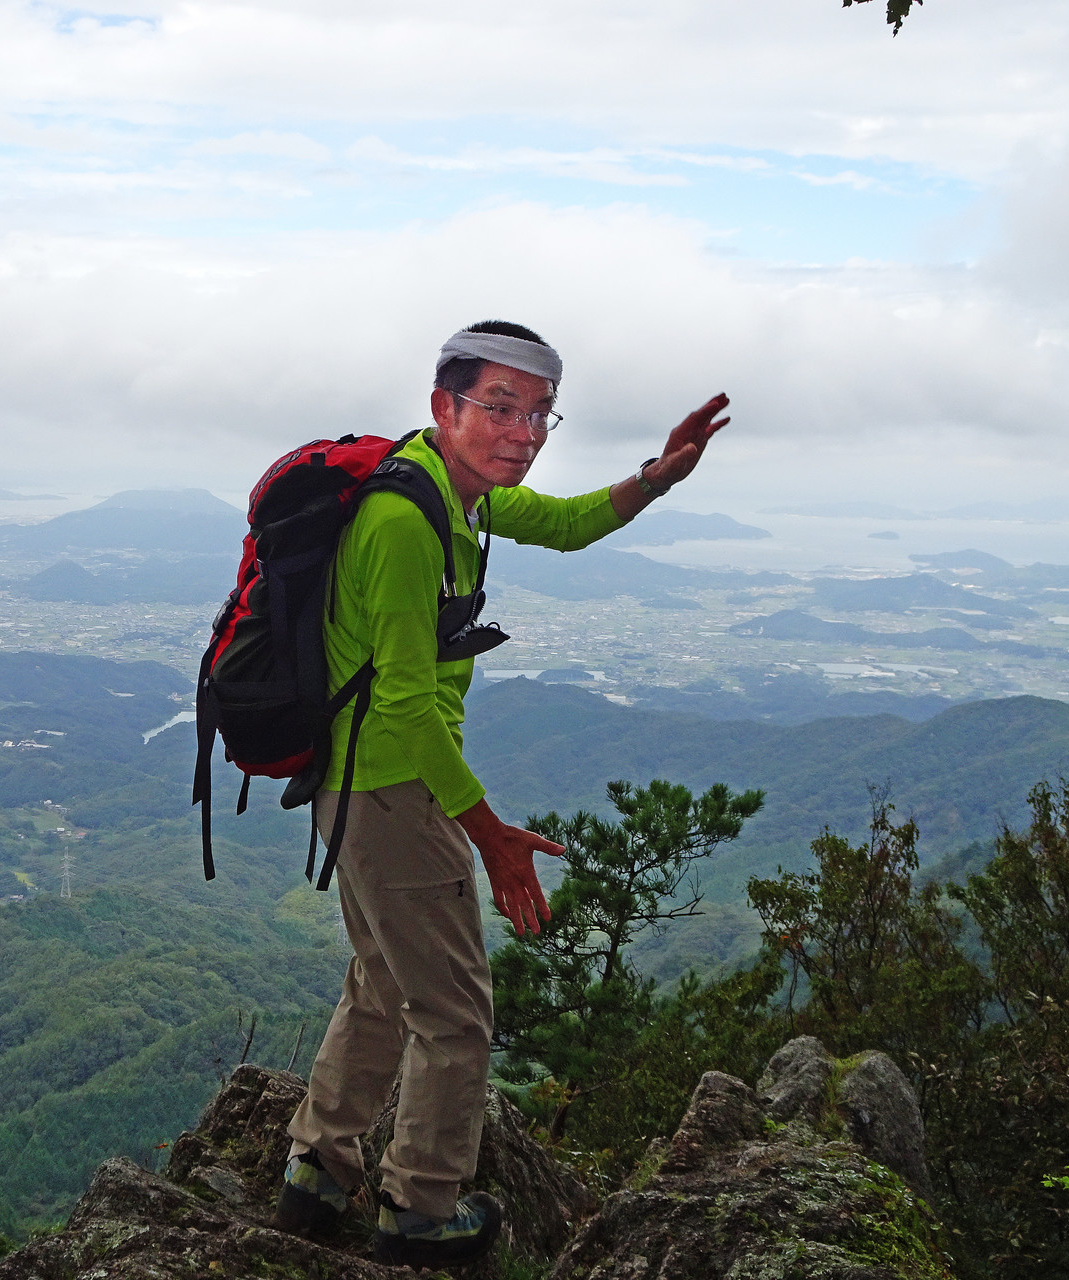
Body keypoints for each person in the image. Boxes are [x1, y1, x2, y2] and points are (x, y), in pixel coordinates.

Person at [273, 320, 731, 1268]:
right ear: (444, 406)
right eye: (498, 408)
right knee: (453, 1011)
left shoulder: (454, 492)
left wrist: (657, 476)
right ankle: (420, 1210)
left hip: (356, 782)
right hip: (392, 784)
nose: (522, 433)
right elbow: (404, 701)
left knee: (383, 978)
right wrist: (486, 831)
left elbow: (563, 526)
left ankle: (318, 1170)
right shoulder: (405, 521)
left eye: (538, 415)